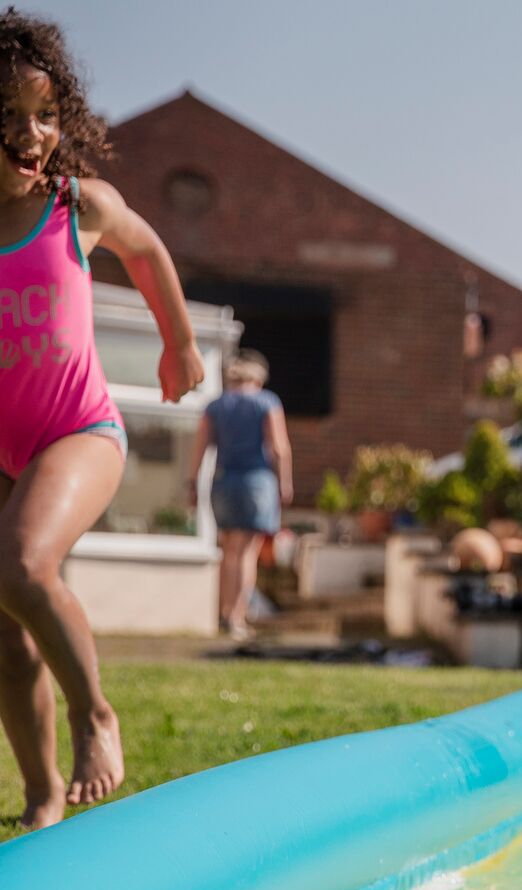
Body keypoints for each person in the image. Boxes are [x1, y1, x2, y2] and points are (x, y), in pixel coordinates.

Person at [0, 10, 203, 829]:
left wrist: (180, 345)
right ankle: (43, 799)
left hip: (78, 432)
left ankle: (97, 716)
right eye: (7, 116)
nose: (31, 133)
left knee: (18, 564)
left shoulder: (74, 206)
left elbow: (148, 250)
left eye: (44, 113)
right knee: (8, 641)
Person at [186, 349, 292, 641]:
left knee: (229, 550)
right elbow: (279, 447)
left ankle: (223, 614)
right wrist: (285, 483)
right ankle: (238, 617)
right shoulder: (266, 402)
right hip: (256, 482)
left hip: (222, 482)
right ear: (258, 377)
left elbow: (200, 447)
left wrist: (192, 484)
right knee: (247, 552)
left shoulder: (215, 406)